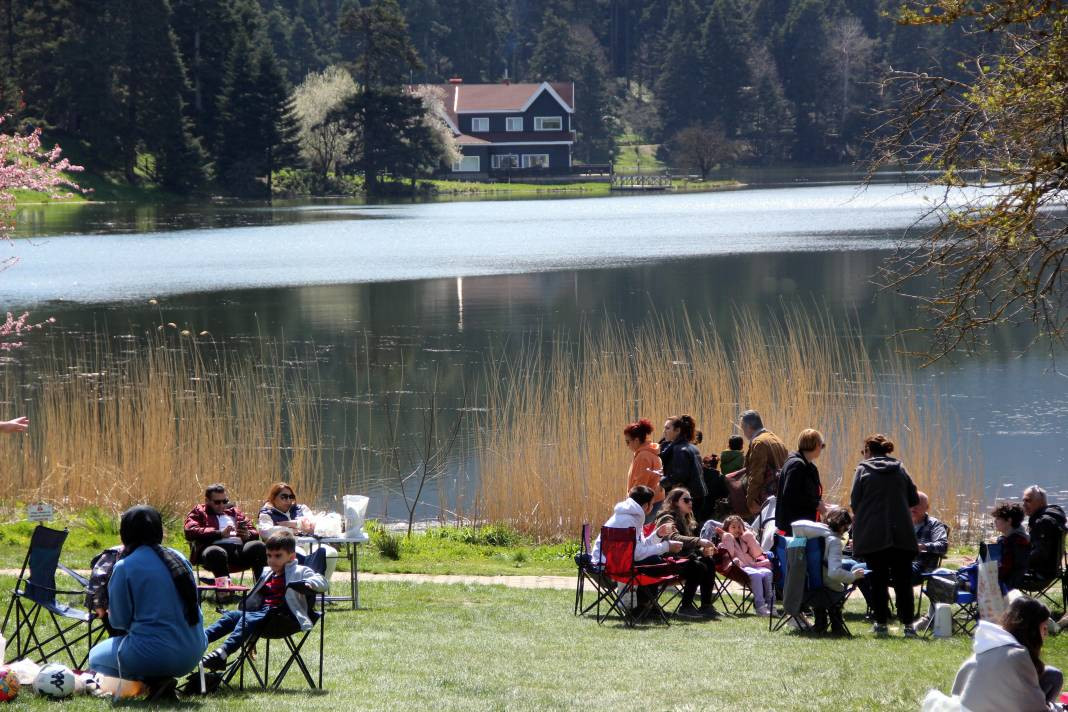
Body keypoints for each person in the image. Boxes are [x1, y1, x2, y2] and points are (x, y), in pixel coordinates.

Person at [88, 506, 207, 698]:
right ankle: (161, 684)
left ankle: (155, 682)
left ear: (125, 533)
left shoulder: (125, 566)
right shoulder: (179, 557)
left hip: (154, 654)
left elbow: (119, 622)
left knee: (95, 658)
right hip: (193, 651)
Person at [201, 530, 328, 671]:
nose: (272, 560)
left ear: (291, 557)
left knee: (247, 618)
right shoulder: (268, 572)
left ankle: (222, 653)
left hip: (283, 619)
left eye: (278, 556)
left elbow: (322, 581)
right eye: (269, 556)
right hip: (262, 615)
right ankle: (198, 641)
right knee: (232, 616)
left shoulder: (300, 571)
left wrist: (310, 584)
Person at [849, 433, 920, 637]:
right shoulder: (900, 468)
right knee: (903, 582)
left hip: (874, 534)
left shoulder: (862, 470)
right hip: (901, 534)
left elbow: (855, 501)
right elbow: (913, 498)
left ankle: (881, 623)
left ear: (869, 451)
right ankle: (908, 625)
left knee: (878, 581)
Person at [951, 596, 1063, 711]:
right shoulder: (1017, 655)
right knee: (1054, 676)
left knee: (1051, 675)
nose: (1046, 634)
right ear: (1032, 630)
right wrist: (1054, 708)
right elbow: (1034, 707)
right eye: (1044, 628)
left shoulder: (991, 643)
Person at [793, 509, 866, 636]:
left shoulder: (811, 537)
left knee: (821, 580)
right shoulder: (834, 541)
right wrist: (853, 576)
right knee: (837, 586)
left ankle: (820, 622)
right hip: (826, 590)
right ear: (843, 526)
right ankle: (836, 624)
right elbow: (834, 573)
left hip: (804, 588)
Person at [655, 488, 720, 620]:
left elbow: (687, 547)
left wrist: (702, 550)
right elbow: (673, 538)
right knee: (697, 566)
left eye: (691, 500)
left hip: (682, 561)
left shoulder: (686, 519)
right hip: (666, 562)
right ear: (674, 502)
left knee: (708, 561)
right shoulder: (667, 518)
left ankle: (706, 606)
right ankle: (685, 607)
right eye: (686, 500)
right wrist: (699, 541)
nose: (690, 502)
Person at [184, 483, 266, 582]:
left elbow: (253, 531)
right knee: (215, 553)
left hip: (238, 550)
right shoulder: (199, 511)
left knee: (259, 546)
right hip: (213, 549)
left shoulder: (235, 512)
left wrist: (247, 535)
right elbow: (190, 531)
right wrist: (219, 534)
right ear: (207, 501)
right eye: (217, 502)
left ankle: (261, 590)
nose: (222, 505)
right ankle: (225, 592)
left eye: (224, 501)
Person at [258, 482, 339, 579]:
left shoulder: (301, 508)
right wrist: (291, 531)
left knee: (330, 553)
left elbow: (311, 524)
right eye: (284, 497)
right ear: (273, 498)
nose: (288, 500)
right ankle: (302, 589)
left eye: (291, 497)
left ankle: (320, 588)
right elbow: (265, 532)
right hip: (287, 547)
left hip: (309, 543)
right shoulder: (266, 513)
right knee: (299, 554)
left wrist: (294, 523)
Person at [589, 485, 682, 566]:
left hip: (604, 563)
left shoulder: (629, 517)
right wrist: (666, 546)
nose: (653, 507)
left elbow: (640, 548)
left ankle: (633, 587)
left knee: (653, 561)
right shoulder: (629, 521)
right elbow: (637, 554)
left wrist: (658, 534)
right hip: (610, 566)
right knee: (655, 562)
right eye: (652, 504)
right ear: (646, 506)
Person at [719, 514, 774, 616]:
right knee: (757, 575)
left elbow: (757, 554)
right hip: (737, 568)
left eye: (740, 527)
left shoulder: (745, 541)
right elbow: (730, 554)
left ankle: (770, 605)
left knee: (767, 572)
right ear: (727, 529)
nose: (737, 529)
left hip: (751, 565)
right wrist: (728, 538)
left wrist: (750, 538)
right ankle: (760, 606)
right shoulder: (724, 542)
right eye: (733, 527)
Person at [775, 428, 826, 536]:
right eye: (822, 445)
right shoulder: (796, 465)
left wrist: (819, 503)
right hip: (794, 528)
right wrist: (816, 504)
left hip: (801, 525)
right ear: (817, 445)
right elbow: (790, 495)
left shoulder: (806, 465)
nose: (822, 449)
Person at [737, 410, 788, 516]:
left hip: (766, 500)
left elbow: (756, 475)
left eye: (743, 428)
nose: (743, 432)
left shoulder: (758, 443)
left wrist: (750, 501)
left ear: (748, 427)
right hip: (781, 496)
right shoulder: (775, 438)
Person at [660, 415, 708, 524]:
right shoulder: (690, 446)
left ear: (677, 430)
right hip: (697, 495)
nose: (664, 432)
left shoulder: (680, 449)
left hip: (687, 498)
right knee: (692, 528)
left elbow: (679, 476)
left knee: (685, 530)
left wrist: (661, 482)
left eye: (667, 428)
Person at [1022, 486, 1067, 588]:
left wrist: (1019, 561)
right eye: (1023, 501)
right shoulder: (1054, 516)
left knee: (997, 573)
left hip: (1039, 576)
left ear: (1041, 502)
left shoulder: (1043, 522)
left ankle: (1001, 603)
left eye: (1028, 500)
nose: (1024, 504)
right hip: (1052, 572)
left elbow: (1040, 554)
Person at [623, 419, 665, 523]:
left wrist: (631, 504)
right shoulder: (649, 452)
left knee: (639, 533)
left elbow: (640, 485)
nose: (627, 445)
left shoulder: (643, 456)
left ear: (636, 440)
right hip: (654, 500)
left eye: (627, 442)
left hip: (646, 504)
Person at [911, 491, 950, 582]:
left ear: (927, 508)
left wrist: (922, 546)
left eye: (918, 504)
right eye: (911, 502)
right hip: (898, 562)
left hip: (920, 567)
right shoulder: (901, 522)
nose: (914, 507)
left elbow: (943, 546)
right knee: (874, 566)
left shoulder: (934, 524)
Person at [991, 502, 1031, 590]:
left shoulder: (1012, 541)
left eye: (998, 518)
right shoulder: (1023, 536)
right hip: (1017, 577)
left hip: (1009, 582)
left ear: (1009, 520)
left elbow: (1004, 569)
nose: (995, 521)